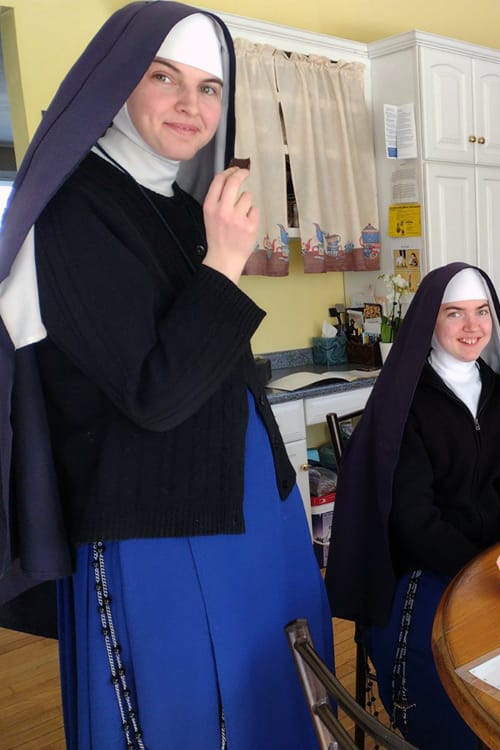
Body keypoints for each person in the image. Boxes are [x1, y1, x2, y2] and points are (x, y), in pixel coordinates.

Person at [0, 4, 332, 748]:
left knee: (275, 690)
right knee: (193, 715)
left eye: (210, 88)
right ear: (117, 82)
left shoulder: (184, 206)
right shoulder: (73, 209)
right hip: (158, 525)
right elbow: (154, 396)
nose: (191, 105)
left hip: (250, 502)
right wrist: (226, 261)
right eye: (164, 77)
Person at [326, 262, 500, 748]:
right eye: (454, 313)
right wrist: (480, 570)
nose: (472, 327)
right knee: (443, 662)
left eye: (482, 312)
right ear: (429, 321)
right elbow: (413, 520)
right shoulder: (406, 404)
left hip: (498, 558)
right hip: (423, 566)